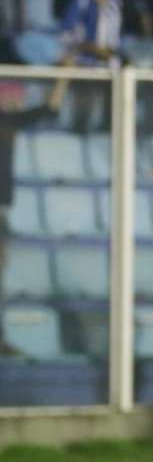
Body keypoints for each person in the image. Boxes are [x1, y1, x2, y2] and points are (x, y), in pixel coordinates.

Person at [0, 78, 68, 354]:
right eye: (14, 98)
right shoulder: (6, 121)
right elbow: (49, 109)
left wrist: (65, 76)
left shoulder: (9, 123)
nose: (19, 103)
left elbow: (49, 109)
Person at [60, 0, 123, 133]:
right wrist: (92, 48)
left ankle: (109, 130)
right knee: (83, 103)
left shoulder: (115, 3)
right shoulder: (81, 1)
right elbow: (67, 35)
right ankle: (79, 129)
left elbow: (118, 36)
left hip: (110, 63)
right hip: (85, 62)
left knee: (116, 104)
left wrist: (111, 52)